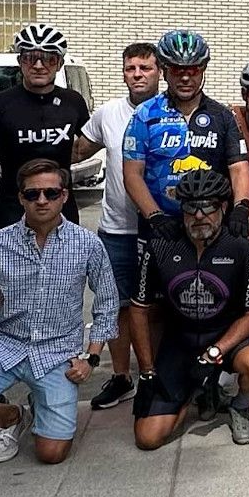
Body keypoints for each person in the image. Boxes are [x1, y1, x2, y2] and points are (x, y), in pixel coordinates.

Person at [0, 158, 119, 464]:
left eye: (50, 192)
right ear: (21, 198)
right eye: (33, 194)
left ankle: (42, 403)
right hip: (4, 344)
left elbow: (108, 303)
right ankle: (10, 415)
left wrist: (92, 357)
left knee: (52, 454)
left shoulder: (88, 244)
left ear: (64, 195)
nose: (42, 200)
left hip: (58, 351)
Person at [129, 169, 249, 448]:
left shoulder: (241, 246)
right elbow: (138, 310)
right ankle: (199, 390)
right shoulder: (159, 245)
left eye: (207, 206)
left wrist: (215, 352)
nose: (198, 216)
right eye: (190, 208)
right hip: (180, 341)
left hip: (228, 336)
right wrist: (147, 371)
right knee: (147, 438)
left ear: (223, 207)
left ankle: (240, 406)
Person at [73, 42, 161, 410]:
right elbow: (77, 149)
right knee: (117, 306)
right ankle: (122, 377)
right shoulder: (108, 113)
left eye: (145, 68)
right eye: (131, 69)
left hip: (161, 229)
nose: (137, 75)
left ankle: (153, 374)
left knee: (157, 307)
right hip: (116, 228)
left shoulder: (171, 112)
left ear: (160, 72)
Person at [123, 30, 249, 242]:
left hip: (211, 226)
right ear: (164, 70)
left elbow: (239, 168)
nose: (185, 77)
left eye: (193, 70)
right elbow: (132, 174)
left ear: (203, 70)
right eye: (177, 70)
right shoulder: (144, 114)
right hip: (160, 227)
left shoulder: (222, 115)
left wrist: (242, 207)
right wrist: (155, 217)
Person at [0, 23, 90, 228]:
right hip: (13, 211)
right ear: (20, 61)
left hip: (63, 210)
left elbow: (91, 140)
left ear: (60, 63)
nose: (39, 65)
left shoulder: (73, 101)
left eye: (49, 58)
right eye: (30, 57)